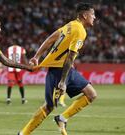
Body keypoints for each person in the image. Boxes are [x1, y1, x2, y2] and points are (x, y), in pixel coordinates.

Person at [18, 3, 97, 135]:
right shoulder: (80, 31)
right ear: (85, 15)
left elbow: (51, 38)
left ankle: (62, 118)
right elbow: (70, 57)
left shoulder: (70, 25)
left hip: (67, 69)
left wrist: (37, 56)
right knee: (49, 106)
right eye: (92, 14)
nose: (94, 17)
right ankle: (23, 133)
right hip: (59, 71)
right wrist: (62, 81)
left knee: (91, 94)